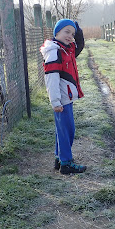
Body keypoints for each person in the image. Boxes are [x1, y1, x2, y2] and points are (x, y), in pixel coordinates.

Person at [40, 19, 87, 174]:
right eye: (67, 32)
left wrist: (77, 31)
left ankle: (59, 159)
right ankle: (66, 163)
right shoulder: (54, 52)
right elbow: (51, 78)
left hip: (65, 97)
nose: (70, 36)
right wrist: (55, 101)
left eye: (72, 34)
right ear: (57, 32)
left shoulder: (67, 49)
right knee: (67, 130)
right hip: (61, 99)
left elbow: (79, 46)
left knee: (63, 129)